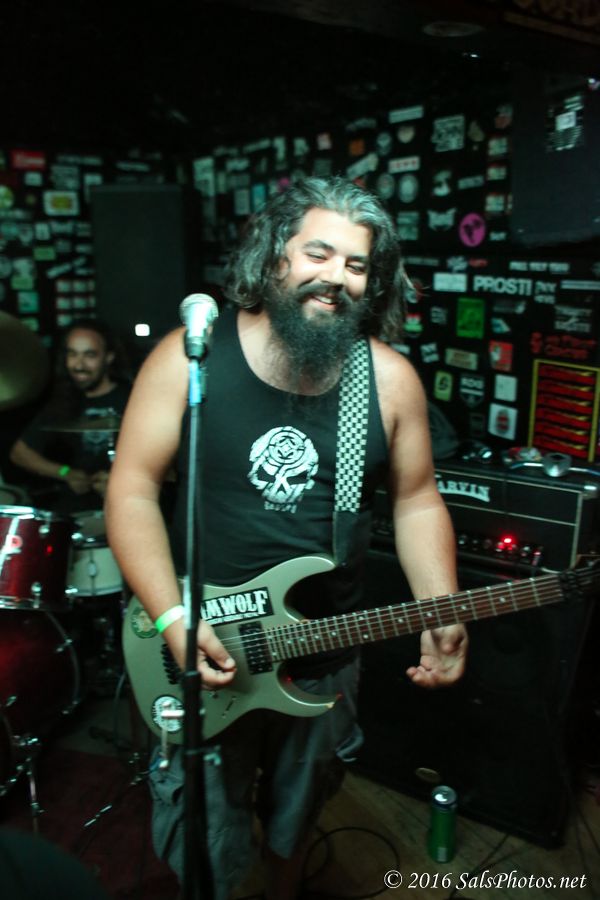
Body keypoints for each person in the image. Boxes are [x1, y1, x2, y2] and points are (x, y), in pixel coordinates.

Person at [105, 176, 468, 900]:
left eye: (356, 264)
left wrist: (442, 605)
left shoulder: (388, 381)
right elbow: (132, 489)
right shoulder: (191, 359)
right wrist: (173, 616)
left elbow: (417, 501)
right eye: (318, 253)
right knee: (206, 827)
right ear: (275, 257)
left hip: (324, 647)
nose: (336, 277)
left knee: (297, 815)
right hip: (205, 642)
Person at [9, 318, 131, 515]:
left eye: (89, 355)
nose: (78, 365)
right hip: (76, 511)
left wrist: (122, 481)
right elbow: (20, 453)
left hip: (126, 506)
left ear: (108, 357)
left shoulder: (133, 398)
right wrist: (65, 472)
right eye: (72, 354)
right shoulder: (63, 401)